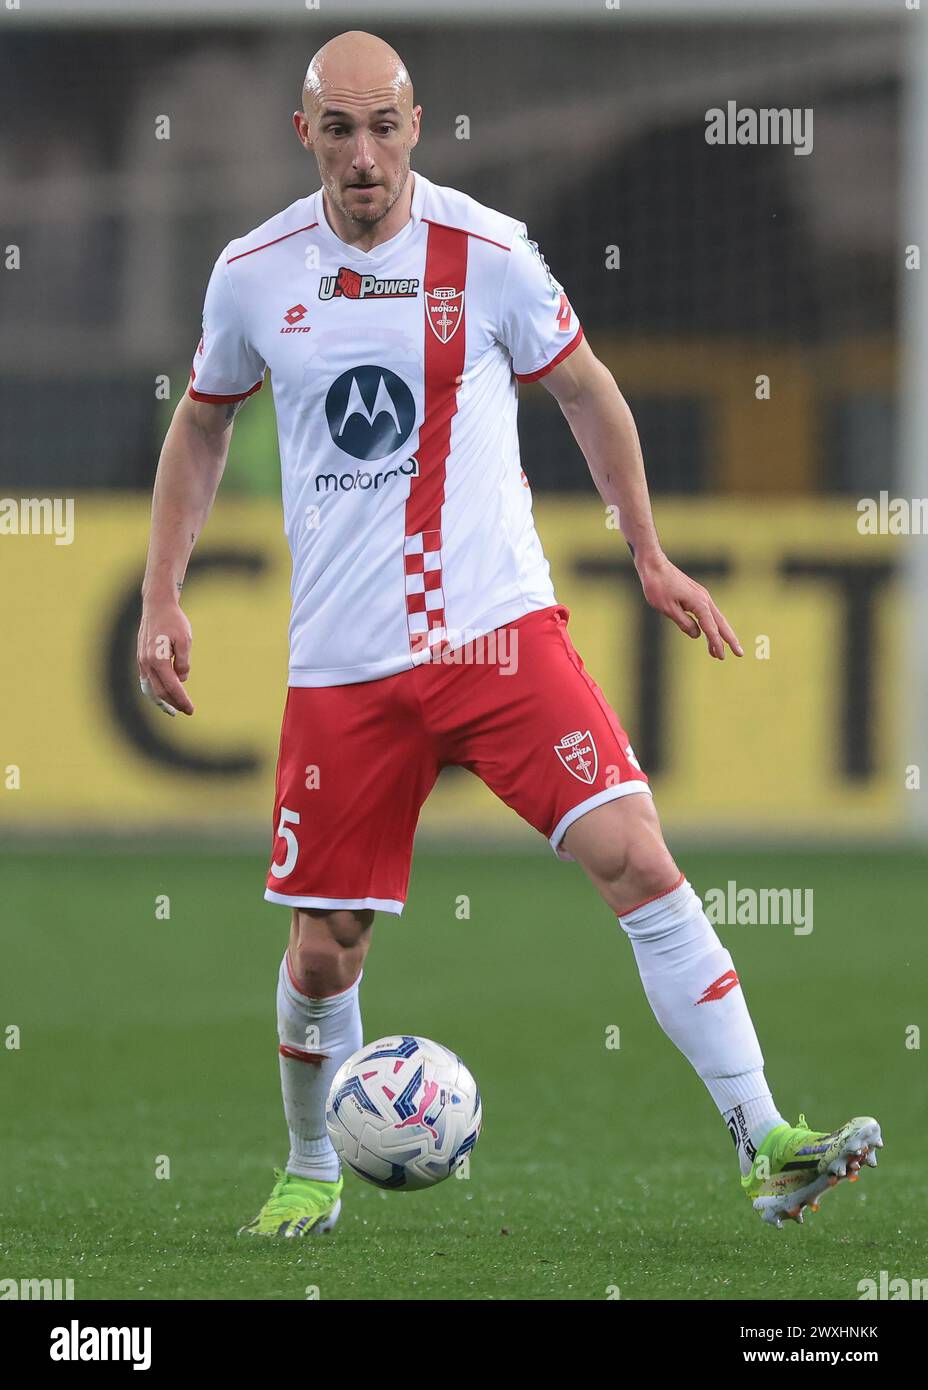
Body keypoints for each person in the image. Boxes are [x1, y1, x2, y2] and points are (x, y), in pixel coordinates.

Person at [137, 30, 881, 1237]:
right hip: (345, 665)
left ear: (417, 124)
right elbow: (202, 427)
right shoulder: (251, 272)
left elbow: (586, 386)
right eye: (340, 129)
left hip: (497, 636)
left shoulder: (487, 252)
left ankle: (764, 1135)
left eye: (385, 126)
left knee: (637, 853)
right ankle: (313, 1164)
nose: (365, 154)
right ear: (305, 135)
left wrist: (645, 550)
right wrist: (161, 593)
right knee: (326, 950)